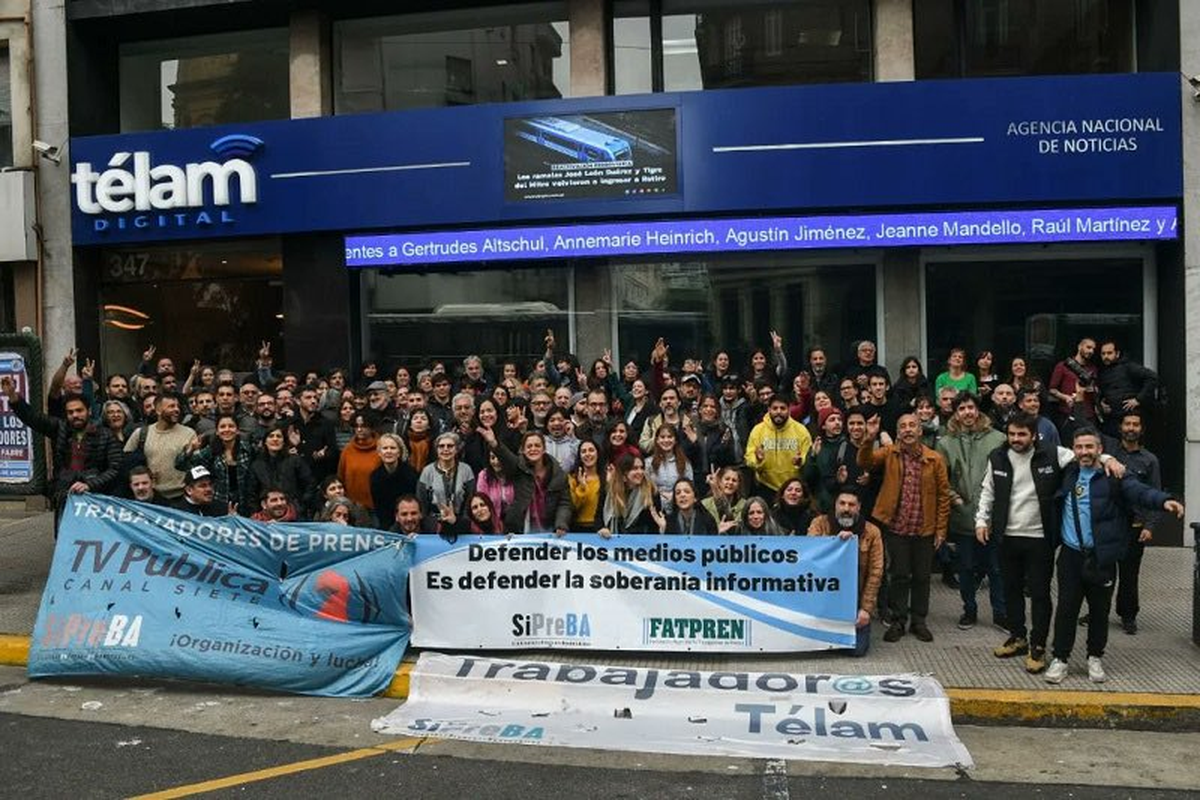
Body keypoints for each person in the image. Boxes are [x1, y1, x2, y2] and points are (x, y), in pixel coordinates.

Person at [1044, 427, 1183, 684]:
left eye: (1090, 447)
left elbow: (1139, 491)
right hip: (1071, 556)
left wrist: (1164, 501)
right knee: (1066, 610)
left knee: (1099, 611)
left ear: (1100, 449)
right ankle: (1060, 659)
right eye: (1080, 447)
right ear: (1073, 450)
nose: (1084, 452)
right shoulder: (1067, 472)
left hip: (1103, 556)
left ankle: (1094, 657)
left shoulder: (1114, 476)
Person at [976, 413, 1078, 674]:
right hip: (1006, 536)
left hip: (1040, 538)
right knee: (1010, 590)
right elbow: (988, 491)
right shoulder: (998, 457)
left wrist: (1109, 459)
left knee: (1040, 594)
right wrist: (981, 521)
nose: (1016, 439)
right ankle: (1017, 637)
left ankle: (1038, 646)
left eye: (1022, 434)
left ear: (1034, 435)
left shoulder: (1054, 454)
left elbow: (1084, 455)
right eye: (1011, 434)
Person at [858, 413, 951, 643]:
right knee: (898, 575)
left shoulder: (935, 459)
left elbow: (943, 496)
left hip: (925, 529)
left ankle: (919, 620)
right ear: (898, 433)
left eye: (912, 425)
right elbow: (864, 462)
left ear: (920, 431)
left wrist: (941, 530)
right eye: (903, 427)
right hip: (897, 528)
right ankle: (898, 620)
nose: (908, 430)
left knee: (922, 576)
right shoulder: (890, 453)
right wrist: (870, 438)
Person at [1, 376, 123, 515]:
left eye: (79, 410)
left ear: (88, 411)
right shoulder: (60, 429)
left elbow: (115, 469)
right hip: (65, 498)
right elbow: (33, 418)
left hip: (96, 501)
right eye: (70, 412)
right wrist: (12, 395)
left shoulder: (106, 435)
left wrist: (90, 485)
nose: (75, 415)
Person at [936, 392, 1007, 632]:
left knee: (996, 568)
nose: (967, 412)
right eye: (962, 408)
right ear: (955, 413)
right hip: (963, 515)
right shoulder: (946, 442)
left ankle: (1000, 613)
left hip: (991, 516)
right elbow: (940, 478)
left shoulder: (997, 439)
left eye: (971, 407)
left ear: (978, 410)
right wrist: (953, 498)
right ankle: (969, 610)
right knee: (965, 568)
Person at [1090, 412, 1162, 635]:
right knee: (1102, 571)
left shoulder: (1150, 460)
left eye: (1135, 424)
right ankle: (1097, 611)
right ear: (1120, 427)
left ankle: (1128, 615)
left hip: (1135, 526)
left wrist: (1150, 526)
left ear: (1141, 429)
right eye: (1127, 424)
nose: (1131, 428)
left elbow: (1154, 492)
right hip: (1109, 523)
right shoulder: (1108, 454)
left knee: (1129, 574)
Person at [808, 489, 884, 657]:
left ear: (859, 507)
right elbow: (810, 556)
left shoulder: (872, 532)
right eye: (842, 503)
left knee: (856, 650)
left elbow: (875, 573)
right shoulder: (819, 523)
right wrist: (835, 542)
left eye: (851, 504)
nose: (846, 508)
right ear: (835, 505)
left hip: (854, 602)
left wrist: (866, 609)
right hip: (823, 600)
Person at [481, 427, 571, 534]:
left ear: (544, 449)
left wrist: (561, 525)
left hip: (551, 530)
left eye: (537, 445)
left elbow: (564, 503)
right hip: (521, 529)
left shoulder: (558, 473)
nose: (533, 449)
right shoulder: (518, 467)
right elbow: (506, 456)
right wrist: (494, 443)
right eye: (529, 446)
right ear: (523, 450)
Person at [176, 413, 255, 512]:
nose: (227, 429)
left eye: (231, 426)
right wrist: (191, 449)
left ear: (237, 430)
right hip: (218, 503)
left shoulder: (247, 449)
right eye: (222, 427)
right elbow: (180, 465)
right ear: (217, 432)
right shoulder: (211, 450)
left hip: (244, 503)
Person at [123, 393, 196, 500]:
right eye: (171, 406)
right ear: (158, 410)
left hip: (180, 497)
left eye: (177, 406)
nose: (176, 410)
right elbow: (126, 462)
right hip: (151, 497)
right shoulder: (141, 433)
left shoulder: (189, 434)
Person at [744, 396, 813, 495]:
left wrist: (800, 461)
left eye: (782, 408)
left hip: (793, 488)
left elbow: (808, 457)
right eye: (775, 408)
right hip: (766, 486)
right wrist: (758, 460)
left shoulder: (801, 430)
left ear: (789, 410)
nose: (779, 412)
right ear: (769, 410)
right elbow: (749, 458)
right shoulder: (758, 430)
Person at [1096, 340, 1159, 436]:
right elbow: (1101, 392)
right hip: (1112, 419)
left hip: (1131, 418)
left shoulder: (1128, 367)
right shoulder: (1102, 372)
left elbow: (1152, 377)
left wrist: (1139, 399)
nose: (1106, 357)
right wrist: (1101, 404)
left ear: (1117, 354)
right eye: (1103, 354)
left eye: (1109, 353)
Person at [417, 431, 475, 525]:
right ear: (437, 450)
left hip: (460, 521)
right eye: (441, 446)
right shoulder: (427, 471)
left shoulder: (466, 470)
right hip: (434, 523)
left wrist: (463, 522)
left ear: (456, 449)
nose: (445, 449)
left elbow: (470, 498)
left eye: (450, 446)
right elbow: (422, 502)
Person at [599, 453, 662, 535]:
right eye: (635, 468)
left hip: (642, 543)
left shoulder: (652, 493)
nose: (640, 472)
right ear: (624, 472)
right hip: (612, 543)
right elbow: (599, 517)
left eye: (642, 468)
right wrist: (602, 529)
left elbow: (654, 526)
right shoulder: (609, 491)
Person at [1049, 337, 1099, 433]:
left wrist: (1093, 389)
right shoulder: (1063, 366)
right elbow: (1052, 389)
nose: (1091, 351)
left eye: (1093, 349)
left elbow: (1098, 389)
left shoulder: (1093, 369)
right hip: (1067, 413)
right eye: (1088, 347)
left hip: (1088, 414)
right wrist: (1065, 397)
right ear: (1080, 347)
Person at [370, 432, 418, 526]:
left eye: (393, 448)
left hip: (409, 521)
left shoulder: (411, 474)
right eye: (385, 448)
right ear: (379, 453)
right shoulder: (375, 477)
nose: (389, 451)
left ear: (399, 452)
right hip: (385, 523)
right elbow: (379, 507)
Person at [646, 423, 694, 514]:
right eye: (662, 437)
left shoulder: (685, 463)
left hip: (678, 509)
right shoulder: (648, 463)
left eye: (670, 437)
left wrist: (674, 495)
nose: (666, 440)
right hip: (655, 509)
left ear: (675, 440)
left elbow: (690, 487)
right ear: (657, 440)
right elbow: (645, 489)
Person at [337, 413, 381, 511]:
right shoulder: (347, 450)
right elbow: (341, 477)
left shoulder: (381, 449)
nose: (359, 430)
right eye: (356, 426)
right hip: (352, 507)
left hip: (376, 506)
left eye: (363, 426)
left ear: (371, 427)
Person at [568, 440, 604, 532]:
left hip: (601, 528)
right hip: (576, 528)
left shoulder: (607, 477)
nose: (588, 454)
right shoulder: (572, 478)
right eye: (583, 451)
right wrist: (582, 487)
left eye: (591, 450)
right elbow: (572, 507)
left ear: (598, 453)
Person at [702, 466, 744, 533]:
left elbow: (735, 528)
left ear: (738, 485)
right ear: (719, 481)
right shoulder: (705, 504)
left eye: (734, 480)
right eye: (727, 479)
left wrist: (715, 489)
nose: (730, 483)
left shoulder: (744, 505)